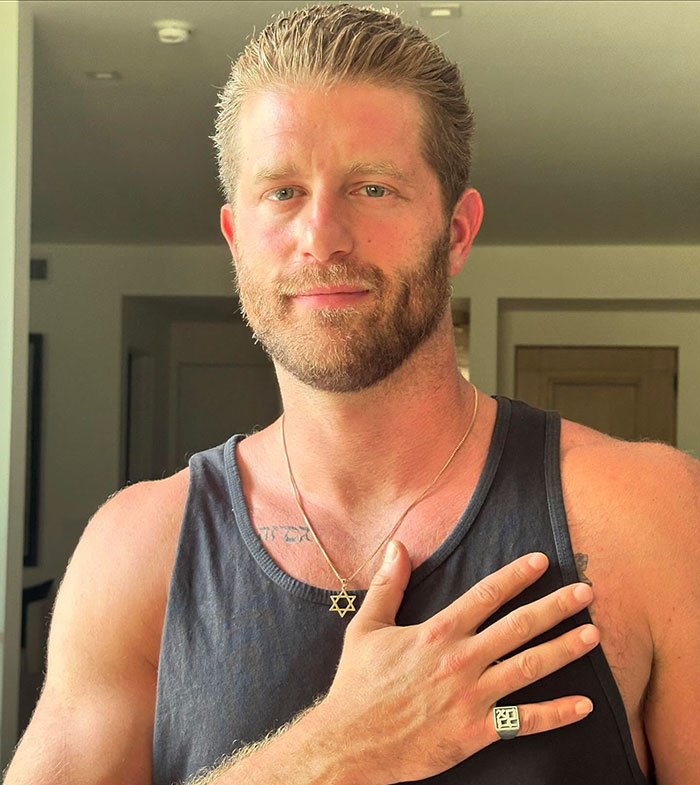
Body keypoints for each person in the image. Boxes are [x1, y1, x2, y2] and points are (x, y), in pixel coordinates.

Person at [5, 4, 699, 784]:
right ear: (236, 239)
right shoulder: (137, 552)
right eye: (283, 191)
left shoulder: (649, 513)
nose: (323, 235)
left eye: (373, 188)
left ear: (458, 231)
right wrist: (331, 750)